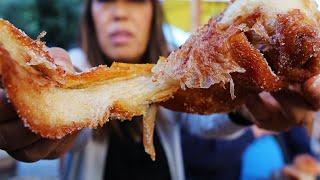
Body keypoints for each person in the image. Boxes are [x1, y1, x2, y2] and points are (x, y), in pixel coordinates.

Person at [0, 0, 319, 179]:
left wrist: (246, 105)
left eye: (135, 0)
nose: (120, 12)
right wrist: (55, 130)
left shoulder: (176, 72)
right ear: (90, 14)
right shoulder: (73, 66)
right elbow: (76, 132)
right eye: (104, 0)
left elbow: (199, 118)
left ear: (153, 12)